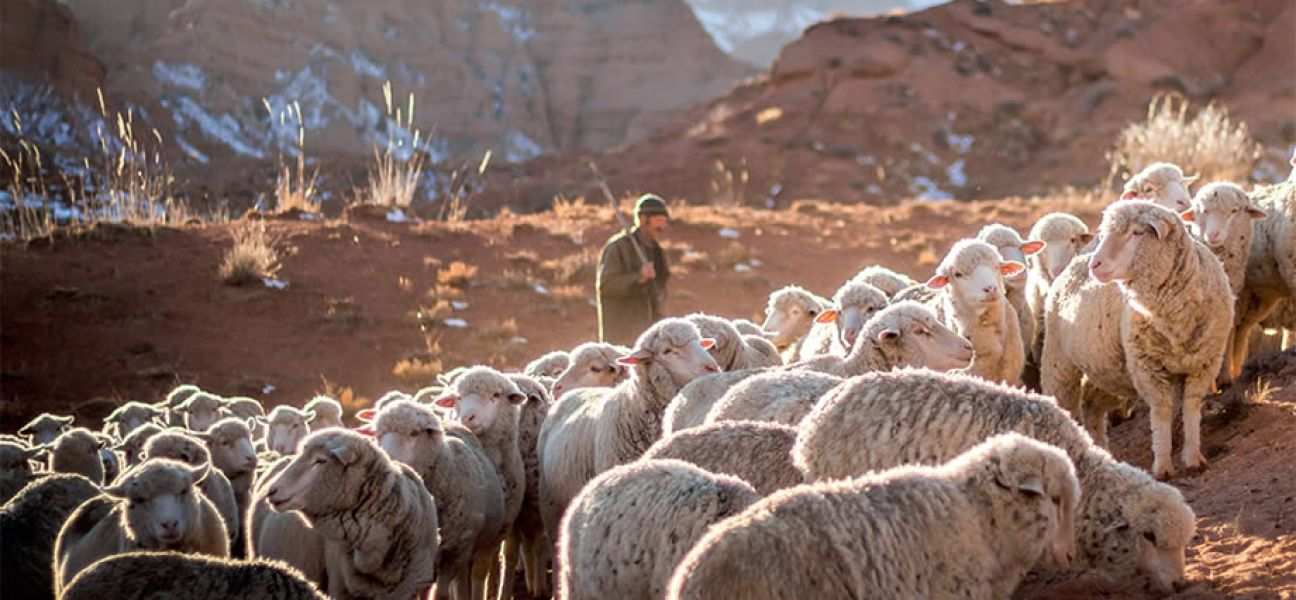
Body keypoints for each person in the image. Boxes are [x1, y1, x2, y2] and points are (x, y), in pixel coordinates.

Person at [596, 193, 672, 345]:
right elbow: (606, 286)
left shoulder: (658, 251)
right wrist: (638, 277)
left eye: (664, 222)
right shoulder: (618, 248)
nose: (662, 227)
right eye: (658, 221)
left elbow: (660, 289)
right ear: (643, 220)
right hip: (622, 335)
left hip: (650, 335)